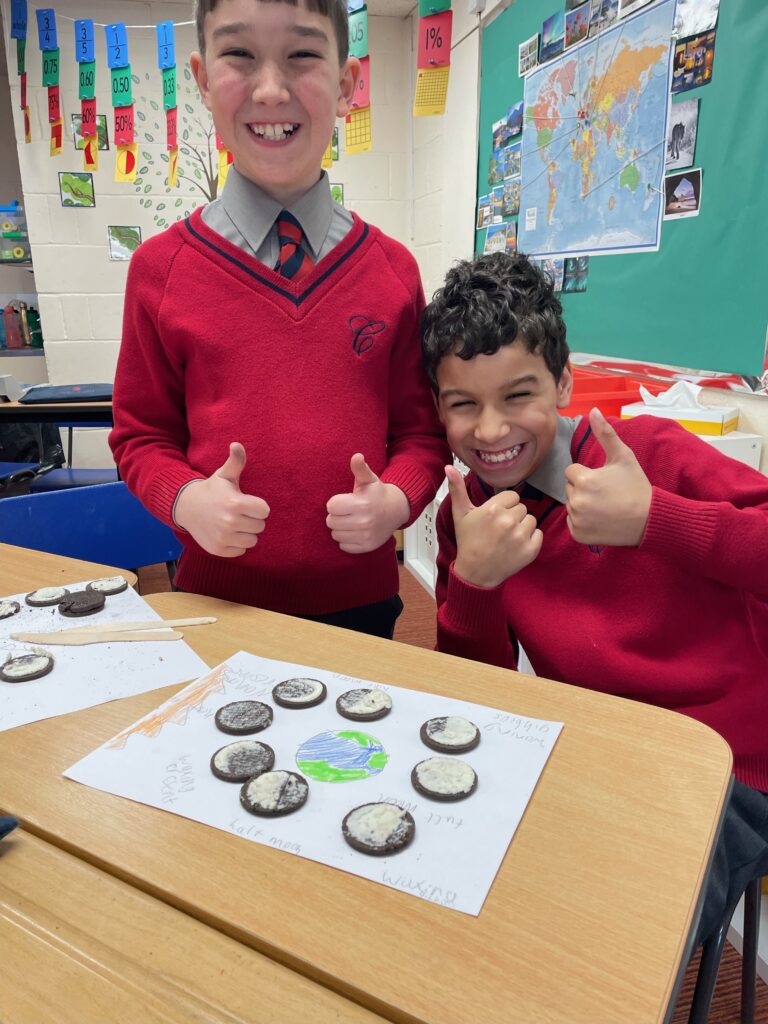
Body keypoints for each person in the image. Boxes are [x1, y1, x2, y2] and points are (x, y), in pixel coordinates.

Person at [421, 250, 768, 943]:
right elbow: (477, 701)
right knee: (466, 872)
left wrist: (657, 521)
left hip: (727, 760)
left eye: (518, 395)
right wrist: (475, 586)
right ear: (438, 408)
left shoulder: (652, 456)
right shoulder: (470, 517)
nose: (490, 431)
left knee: (622, 938)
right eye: (464, 405)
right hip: (595, 747)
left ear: (564, 382)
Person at [110, 0, 449, 638]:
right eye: (239, 55)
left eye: (302, 55)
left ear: (347, 85)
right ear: (204, 79)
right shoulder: (160, 271)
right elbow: (139, 438)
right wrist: (186, 500)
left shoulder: (393, 270)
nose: (271, 89)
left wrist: (397, 501)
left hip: (363, 607)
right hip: (217, 605)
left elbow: (423, 436)